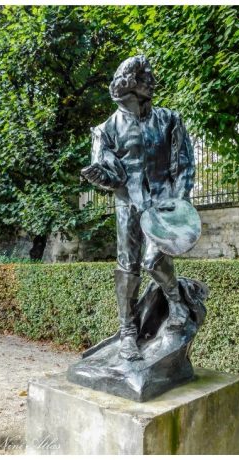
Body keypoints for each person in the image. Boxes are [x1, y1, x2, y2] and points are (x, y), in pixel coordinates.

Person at [82, 55, 195, 361]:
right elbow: (110, 174)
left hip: (164, 203)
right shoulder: (105, 130)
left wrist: (180, 201)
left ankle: (177, 304)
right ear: (130, 90)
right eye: (145, 78)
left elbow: (182, 164)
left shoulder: (169, 119)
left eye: (148, 76)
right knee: (127, 267)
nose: (151, 81)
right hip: (127, 205)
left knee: (153, 260)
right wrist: (99, 177)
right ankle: (128, 332)